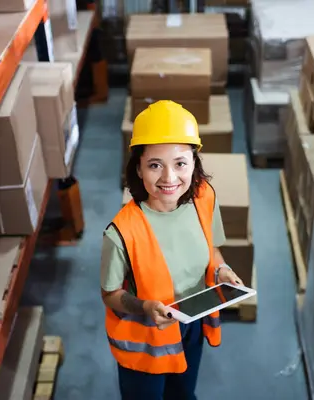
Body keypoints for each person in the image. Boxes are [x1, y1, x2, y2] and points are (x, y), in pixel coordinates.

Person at [100, 100, 244, 399]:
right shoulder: (122, 232)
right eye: (155, 165)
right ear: (138, 168)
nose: (169, 178)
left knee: (183, 394)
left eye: (180, 163)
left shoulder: (204, 198)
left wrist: (222, 270)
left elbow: (211, 250)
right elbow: (110, 295)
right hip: (147, 339)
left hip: (191, 322)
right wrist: (146, 307)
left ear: (194, 163)